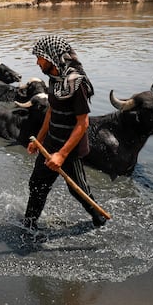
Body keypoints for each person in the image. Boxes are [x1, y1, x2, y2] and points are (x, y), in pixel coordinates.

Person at [23, 35, 106, 230]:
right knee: (37, 184)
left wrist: (62, 154)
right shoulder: (54, 79)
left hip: (70, 150)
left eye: (40, 57)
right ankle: (29, 226)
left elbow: (83, 123)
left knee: (78, 190)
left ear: (51, 57)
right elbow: (51, 111)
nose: (37, 62)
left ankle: (99, 220)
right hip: (51, 143)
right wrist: (40, 140)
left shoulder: (76, 84)